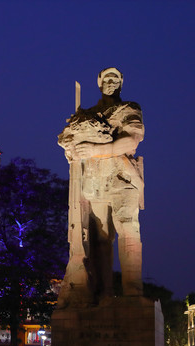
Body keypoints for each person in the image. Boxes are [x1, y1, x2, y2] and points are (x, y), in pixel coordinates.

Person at [58, 67, 144, 305]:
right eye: (107, 78)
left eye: (115, 79)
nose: (111, 82)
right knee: (100, 239)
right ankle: (104, 293)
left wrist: (98, 150)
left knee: (128, 229)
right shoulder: (85, 114)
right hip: (94, 181)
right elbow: (71, 148)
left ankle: (133, 293)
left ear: (122, 83)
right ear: (99, 82)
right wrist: (70, 146)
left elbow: (132, 139)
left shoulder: (129, 109)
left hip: (122, 177)